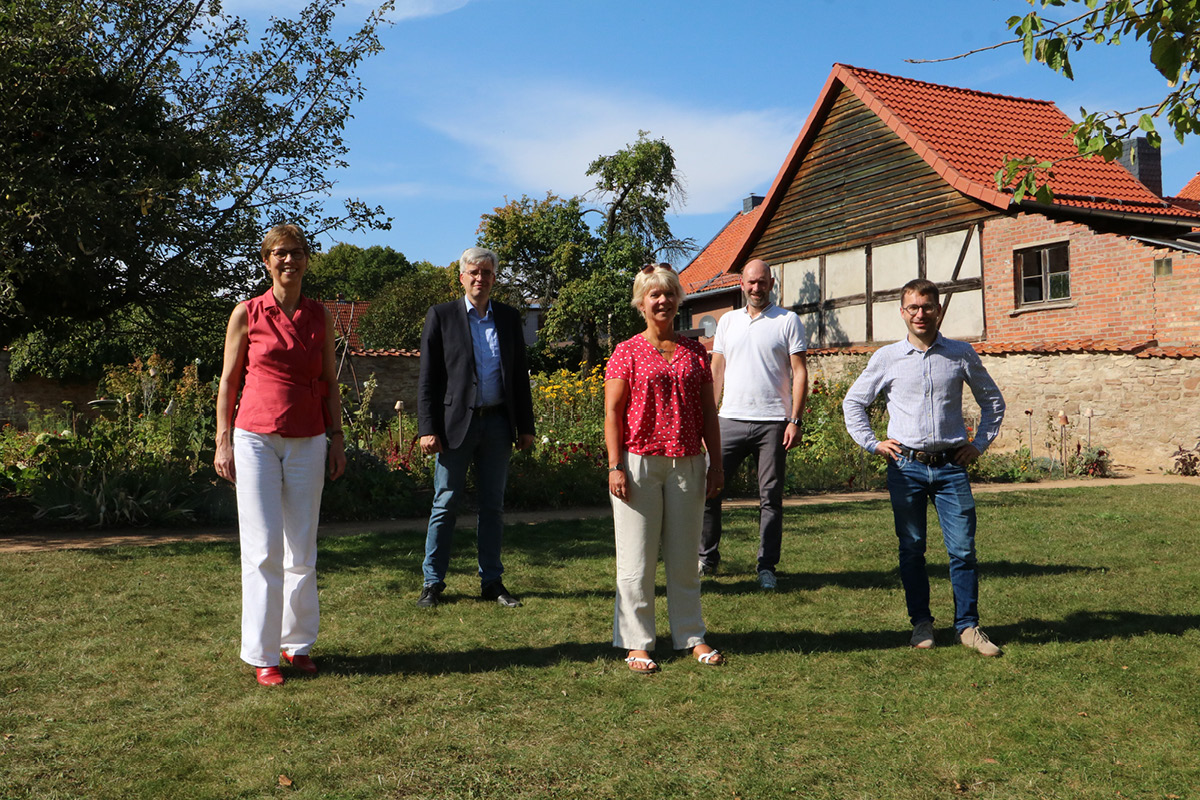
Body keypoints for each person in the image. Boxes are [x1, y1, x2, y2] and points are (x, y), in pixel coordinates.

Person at [842, 278, 1006, 656]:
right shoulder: (887, 358)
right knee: (912, 548)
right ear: (902, 312)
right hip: (906, 467)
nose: (920, 314)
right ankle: (921, 624)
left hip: (951, 468)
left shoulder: (961, 354)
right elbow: (854, 403)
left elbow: (992, 402)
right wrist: (873, 442)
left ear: (939, 310)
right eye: (913, 307)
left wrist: (978, 445)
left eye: (927, 306)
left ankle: (968, 627)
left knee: (963, 550)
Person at [214, 224, 347, 687]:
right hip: (254, 438)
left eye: (297, 253)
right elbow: (229, 382)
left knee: (302, 547)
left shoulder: (321, 316)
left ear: (308, 260)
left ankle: (298, 644)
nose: (289, 260)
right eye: (280, 253)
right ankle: (263, 653)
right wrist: (223, 439)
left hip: (309, 437)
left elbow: (330, 379)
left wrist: (337, 437)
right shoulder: (247, 313)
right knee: (264, 547)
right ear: (266, 260)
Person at [604, 263, 725, 674]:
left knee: (683, 557)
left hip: (688, 463)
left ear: (678, 301)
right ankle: (636, 641)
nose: (662, 300)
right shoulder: (626, 351)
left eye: (669, 293)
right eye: (654, 295)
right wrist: (615, 465)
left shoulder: (695, 351)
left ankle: (691, 634)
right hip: (638, 464)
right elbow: (612, 413)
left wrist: (716, 464)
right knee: (635, 559)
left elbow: (709, 413)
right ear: (641, 303)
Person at [416, 247, 536, 608]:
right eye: (473, 272)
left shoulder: (509, 318)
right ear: (461, 277)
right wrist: (427, 428)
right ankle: (433, 583)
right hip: (455, 428)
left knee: (493, 506)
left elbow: (518, 376)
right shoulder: (441, 316)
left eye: (486, 273)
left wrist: (525, 426)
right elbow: (428, 379)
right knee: (445, 503)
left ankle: (492, 582)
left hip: (498, 423)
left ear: (494, 278)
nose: (479, 278)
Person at [699, 259, 808, 590]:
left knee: (770, 498)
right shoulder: (727, 322)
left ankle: (766, 566)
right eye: (750, 282)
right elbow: (716, 372)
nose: (756, 288)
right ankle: (706, 557)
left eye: (762, 282)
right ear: (741, 284)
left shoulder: (788, 321)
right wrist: (708, 421)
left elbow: (800, 372)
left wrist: (795, 420)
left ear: (771, 284)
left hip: (773, 423)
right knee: (708, 489)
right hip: (728, 419)